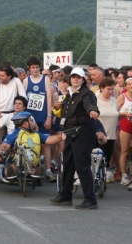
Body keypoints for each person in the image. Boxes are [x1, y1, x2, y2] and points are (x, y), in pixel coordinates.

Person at [50, 67, 100, 210]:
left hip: (82, 133)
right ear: (70, 79)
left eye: (78, 77)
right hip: (71, 133)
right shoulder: (70, 95)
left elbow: (90, 104)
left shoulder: (86, 93)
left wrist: (93, 111)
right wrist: (57, 107)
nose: (76, 79)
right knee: (68, 164)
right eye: (73, 77)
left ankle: (90, 199)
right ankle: (65, 195)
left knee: (82, 166)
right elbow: (64, 114)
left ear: (83, 79)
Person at [0, 111, 64, 178]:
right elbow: (5, 145)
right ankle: (10, 172)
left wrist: (60, 136)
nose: (33, 122)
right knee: (13, 166)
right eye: (31, 120)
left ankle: (36, 172)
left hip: (30, 161)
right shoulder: (15, 133)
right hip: (15, 160)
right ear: (25, 123)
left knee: (31, 168)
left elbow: (49, 139)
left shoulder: (36, 134)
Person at [22, 56, 53, 181]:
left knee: (46, 144)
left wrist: (49, 117)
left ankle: (48, 169)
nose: (35, 70)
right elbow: (24, 100)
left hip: (43, 116)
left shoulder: (45, 79)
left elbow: (49, 98)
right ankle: (32, 167)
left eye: (36, 67)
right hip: (31, 117)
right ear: (29, 69)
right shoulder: (26, 81)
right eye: (32, 68)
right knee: (30, 142)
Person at [96, 77, 119, 183]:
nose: (110, 91)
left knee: (107, 158)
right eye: (108, 89)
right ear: (101, 88)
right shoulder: (95, 99)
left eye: (112, 89)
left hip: (111, 134)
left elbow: (118, 114)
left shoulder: (115, 101)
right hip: (98, 134)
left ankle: (103, 176)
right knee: (97, 157)